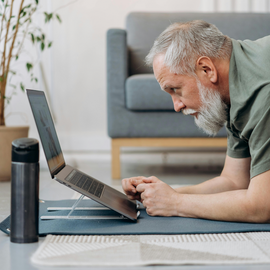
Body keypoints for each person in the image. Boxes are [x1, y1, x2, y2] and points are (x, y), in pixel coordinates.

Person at [122, 20, 270, 223]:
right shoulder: (233, 84)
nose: (177, 106)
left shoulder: (263, 93)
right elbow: (234, 181)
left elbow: (262, 207)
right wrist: (164, 194)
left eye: (175, 89)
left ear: (207, 69)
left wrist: (176, 204)